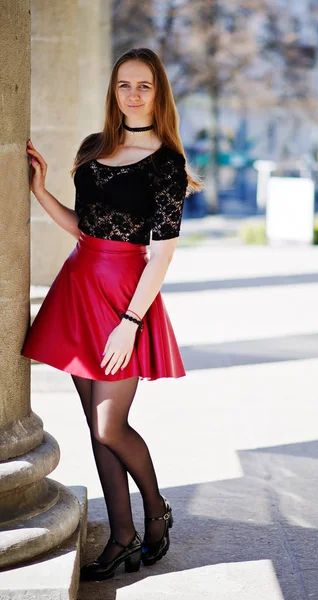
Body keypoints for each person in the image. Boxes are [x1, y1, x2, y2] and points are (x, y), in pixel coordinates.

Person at [22, 47, 201, 582]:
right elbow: (86, 227)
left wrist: (131, 322)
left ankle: (155, 509)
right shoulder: (93, 148)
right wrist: (40, 191)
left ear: (158, 92)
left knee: (108, 425)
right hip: (79, 288)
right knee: (94, 426)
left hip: (126, 297)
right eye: (124, 84)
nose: (133, 94)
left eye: (144, 85)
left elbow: (162, 252)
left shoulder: (167, 163)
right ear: (113, 91)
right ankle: (122, 536)